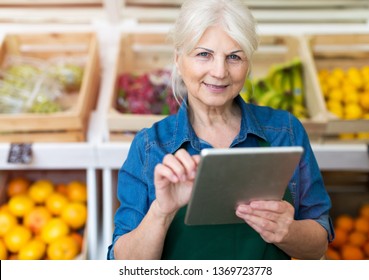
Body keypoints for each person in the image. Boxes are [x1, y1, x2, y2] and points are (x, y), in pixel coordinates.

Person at [107, 0, 334, 260]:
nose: (219, 72)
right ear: (178, 59)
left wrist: (288, 231)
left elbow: (318, 244)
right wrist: (161, 211)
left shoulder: (285, 132)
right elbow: (122, 266)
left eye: (234, 57)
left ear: (248, 63)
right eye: (204, 54)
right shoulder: (150, 147)